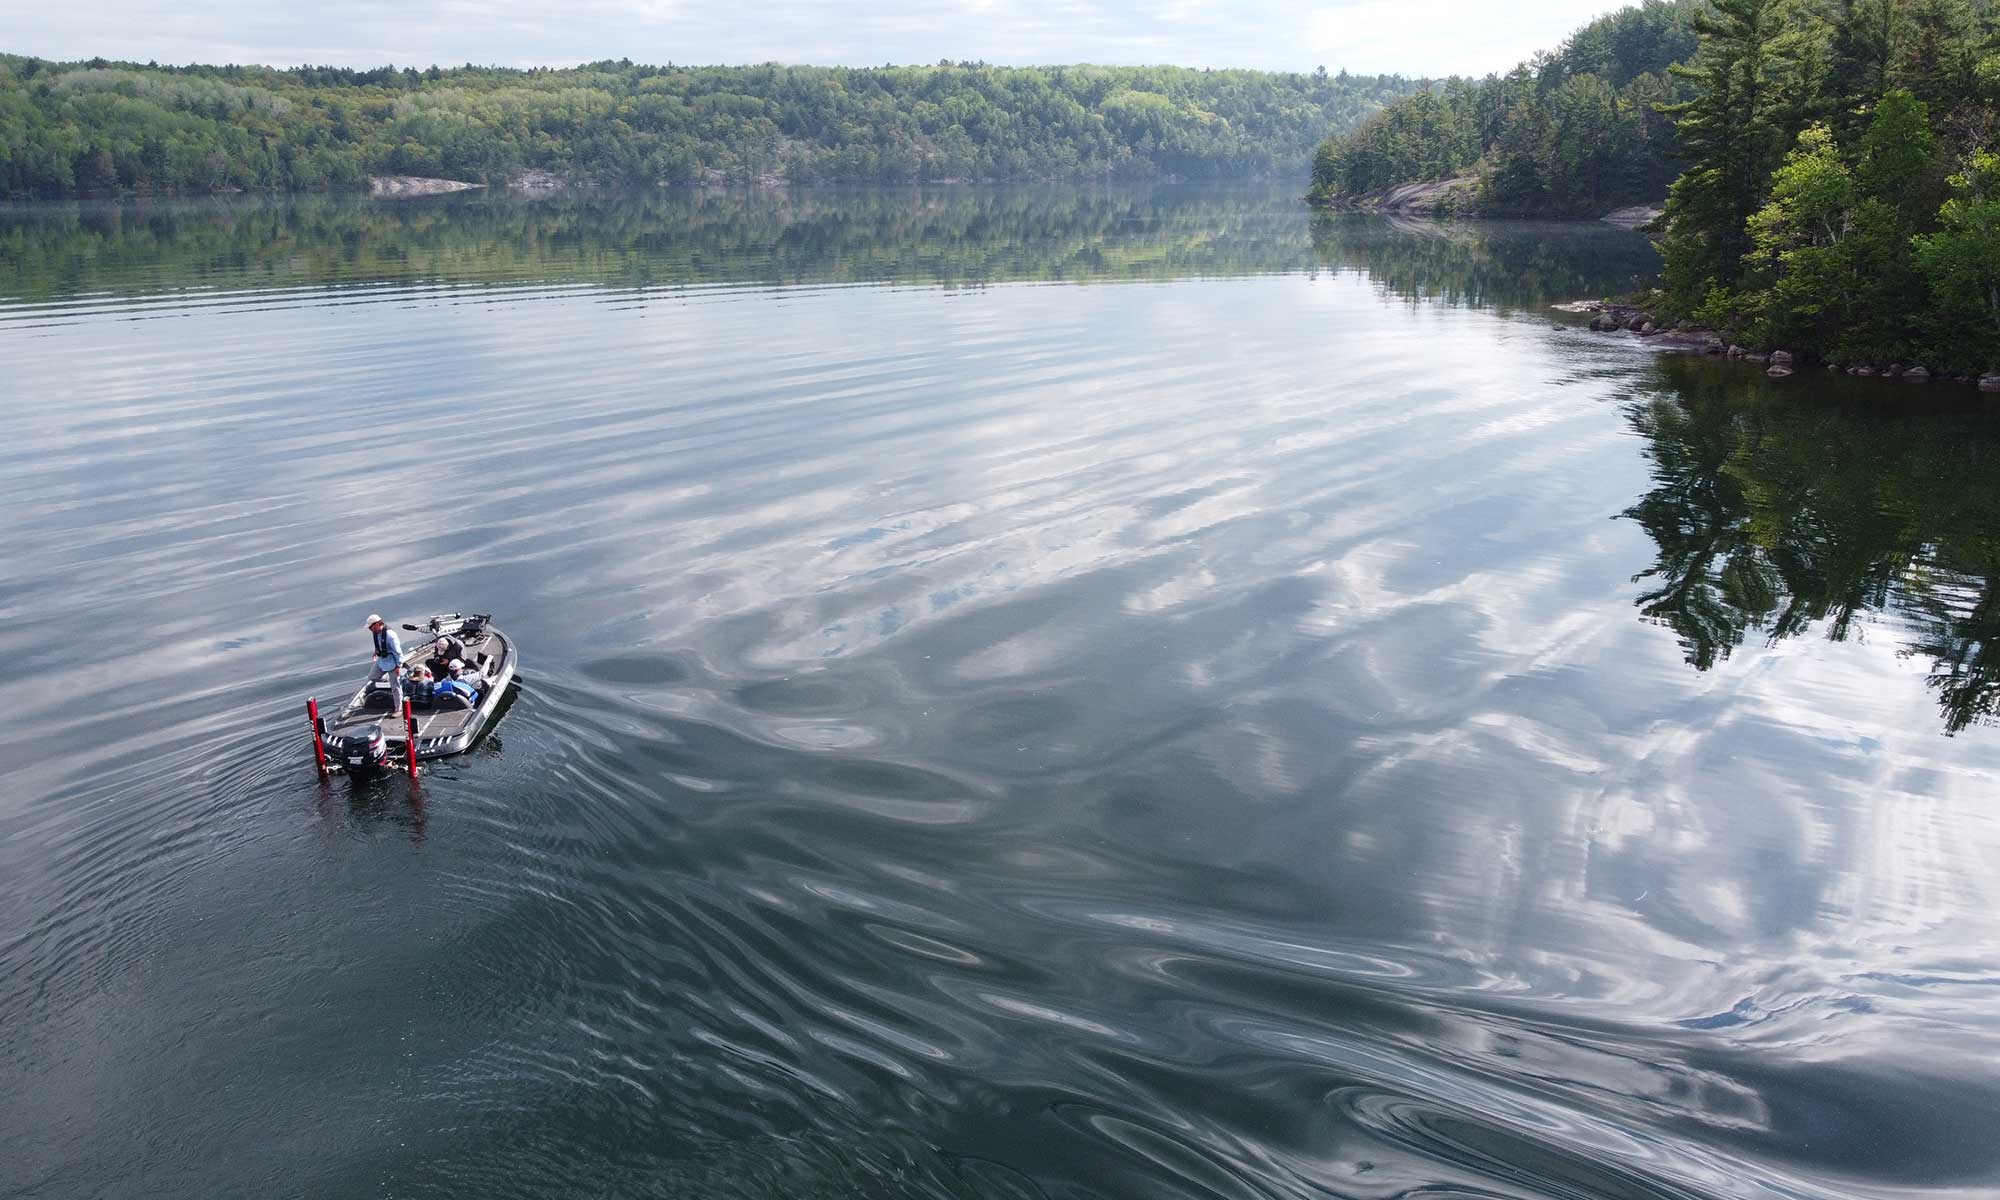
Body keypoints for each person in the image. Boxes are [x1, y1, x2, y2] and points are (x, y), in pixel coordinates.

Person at [365, 613, 404, 710]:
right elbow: (380, 643)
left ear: (377, 624)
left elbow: (398, 651)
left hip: (392, 662)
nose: (370, 630)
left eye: (371, 627)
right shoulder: (376, 633)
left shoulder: (390, 635)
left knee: (395, 687)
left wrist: (399, 666)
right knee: (372, 676)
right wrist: (376, 652)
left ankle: (398, 708)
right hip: (382, 659)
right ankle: (388, 678)